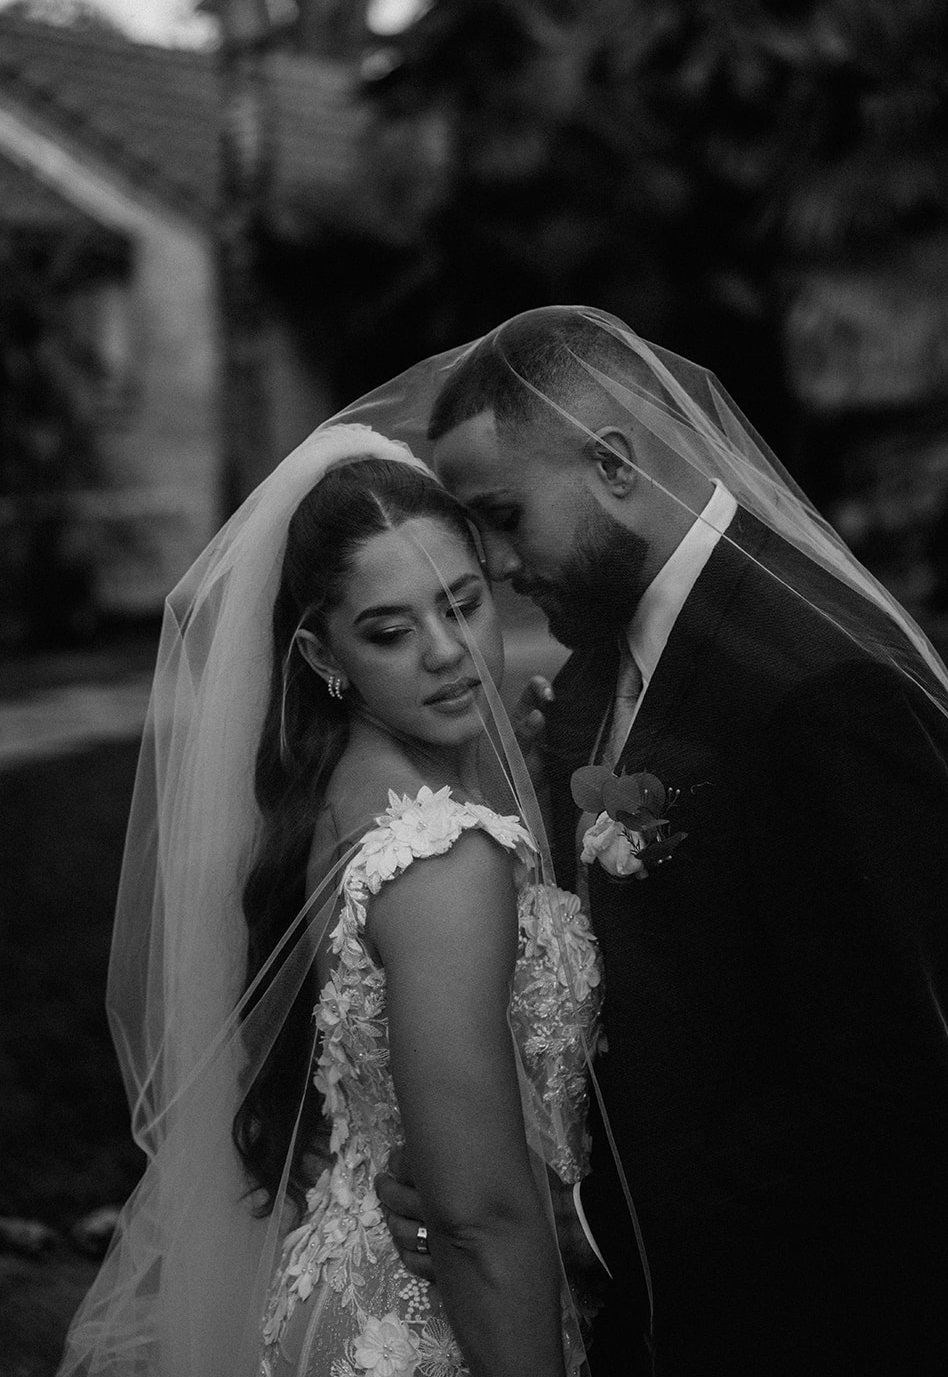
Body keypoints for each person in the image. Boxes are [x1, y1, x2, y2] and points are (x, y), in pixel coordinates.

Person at [373, 306, 948, 1376]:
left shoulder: (826, 689)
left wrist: (586, 1216)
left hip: (819, 1326)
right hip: (676, 1316)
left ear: (610, 462)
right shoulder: (605, 653)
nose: (499, 565)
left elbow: (890, 1100)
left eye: (504, 517)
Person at [58, 424, 601, 1377]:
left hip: (347, 1284)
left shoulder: (328, 793)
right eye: (390, 632)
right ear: (320, 652)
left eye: (462, 604)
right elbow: (476, 1219)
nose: (447, 653)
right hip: (441, 1323)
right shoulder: (440, 859)